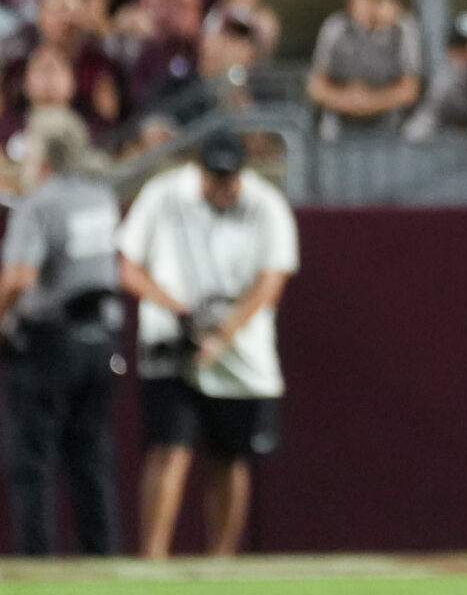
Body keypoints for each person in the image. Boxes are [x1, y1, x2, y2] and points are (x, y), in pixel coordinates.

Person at [117, 130, 299, 559]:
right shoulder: (163, 195)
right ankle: (154, 558)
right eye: (212, 177)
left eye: (228, 178)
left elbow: (271, 280)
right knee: (169, 450)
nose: (220, 187)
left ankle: (222, 562)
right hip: (172, 348)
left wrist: (223, 333)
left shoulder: (265, 205)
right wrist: (178, 312)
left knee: (230, 458)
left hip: (239, 357)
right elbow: (129, 266)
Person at [0, 110, 120, 555]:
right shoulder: (99, 196)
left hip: (47, 341)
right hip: (100, 338)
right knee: (90, 458)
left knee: (30, 459)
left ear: (44, 158)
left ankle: (37, 560)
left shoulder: (40, 203)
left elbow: (18, 278)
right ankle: (102, 557)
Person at [304, 0, 425, 137]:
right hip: (341, 122)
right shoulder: (336, 26)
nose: (387, 3)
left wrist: (371, 102)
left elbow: (409, 89)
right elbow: (316, 87)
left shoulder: (404, 29)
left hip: (388, 125)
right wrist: (347, 100)